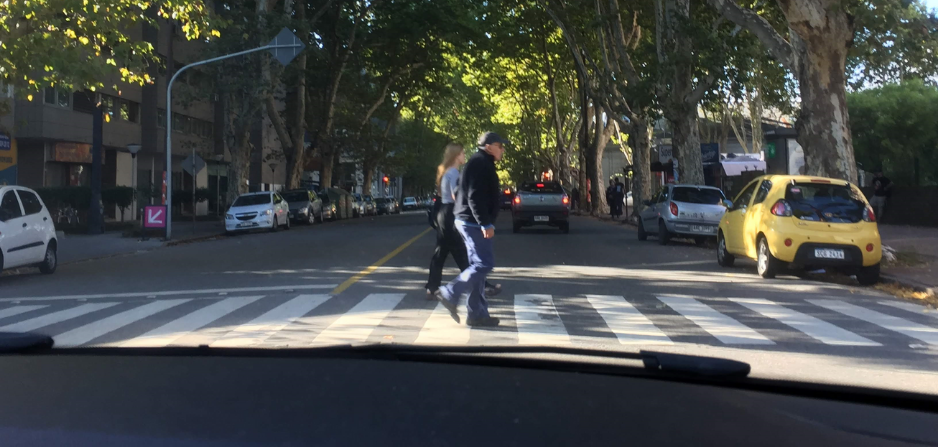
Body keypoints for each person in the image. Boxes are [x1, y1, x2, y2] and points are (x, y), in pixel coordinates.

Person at [433, 132, 506, 327]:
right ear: (489, 146)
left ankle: (477, 314)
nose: (503, 149)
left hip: (467, 219)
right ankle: (450, 292)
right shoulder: (480, 163)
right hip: (473, 222)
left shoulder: (479, 162)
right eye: (500, 146)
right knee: (484, 264)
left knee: (478, 269)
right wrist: (485, 223)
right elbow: (474, 196)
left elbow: (460, 191)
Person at [425, 143, 500, 299]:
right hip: (451, 213)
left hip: (444, 213)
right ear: (455, 155)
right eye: (462, 154)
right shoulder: (453, 173)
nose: (464, 156)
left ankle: (432, 287)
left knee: (441, 253)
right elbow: (455, 195)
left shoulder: (447, 172)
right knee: (462, 253)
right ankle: (479, 286)